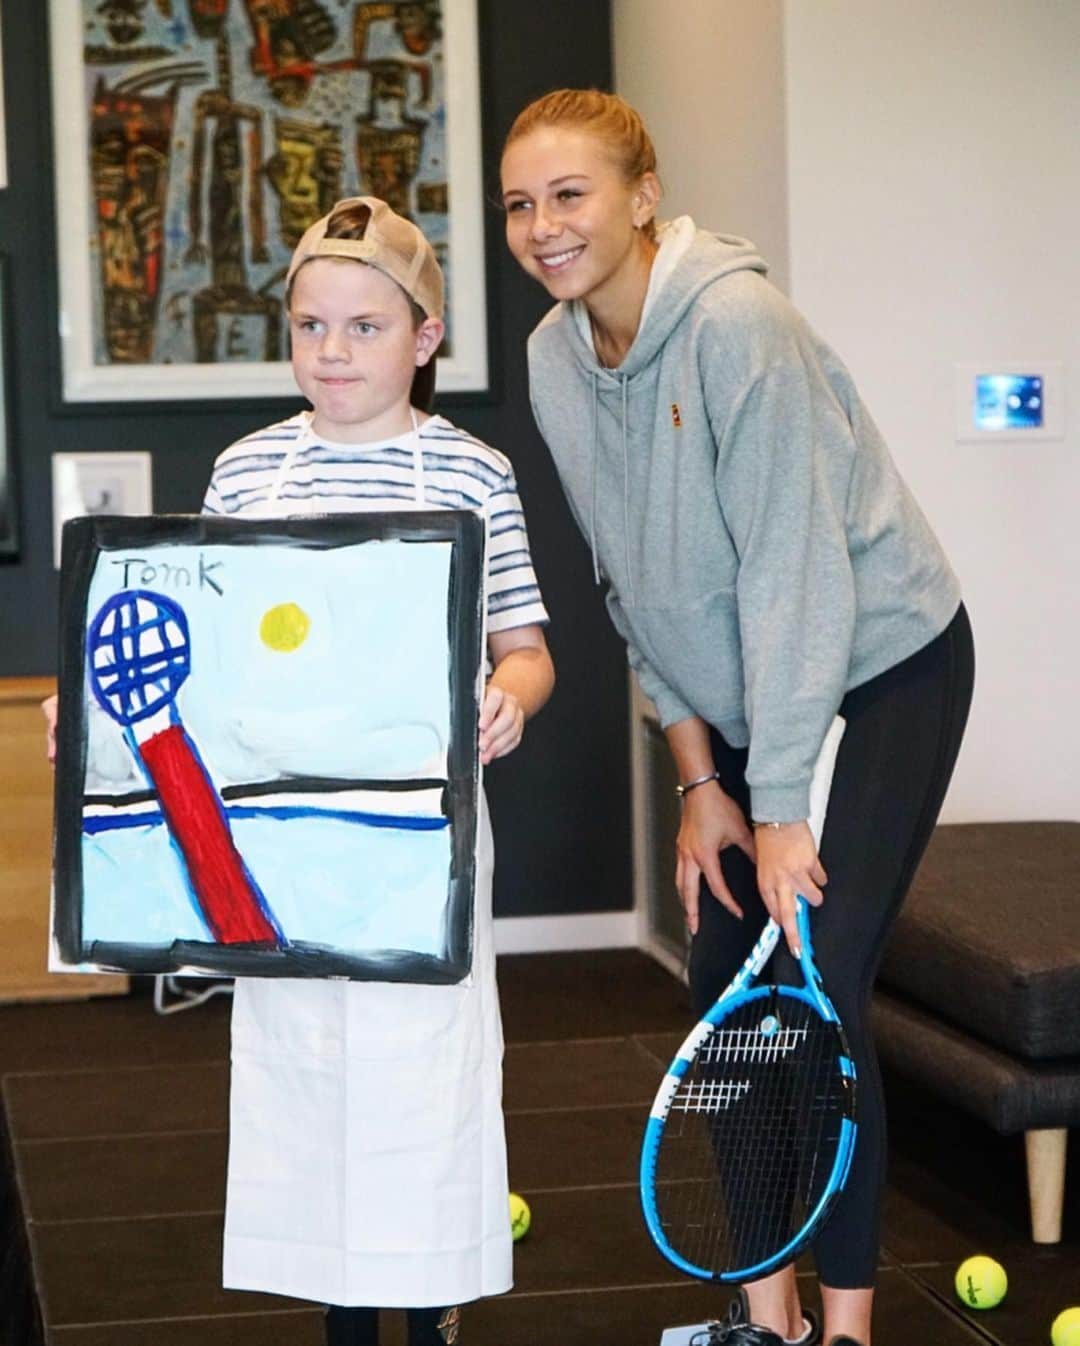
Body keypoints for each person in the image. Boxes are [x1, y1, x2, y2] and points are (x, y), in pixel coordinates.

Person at [500, 90, 973, 1346]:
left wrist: (780, 813)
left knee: (819, 972)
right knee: (730, 983)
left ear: (643, 196)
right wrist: (699, 779)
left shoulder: (738, 327)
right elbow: (631, 582)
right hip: (739, 685)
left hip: (882, 659)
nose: (543, 226)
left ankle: (851, 1330)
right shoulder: (557, 359)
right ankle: (764, 1319)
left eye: (570, 193)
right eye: (520, 202)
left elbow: (793, 570)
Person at [44, 196, 555, 1346]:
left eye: (365, 326)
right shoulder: (247, 470)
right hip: (276, 838)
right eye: (311, 325)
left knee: (425, 1076)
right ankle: (340, 1321)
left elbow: (527, 649)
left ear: (424, 337)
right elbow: (204, 660)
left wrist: (506, 703)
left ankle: (428, 1314)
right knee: (302, 1070)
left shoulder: (473, 473)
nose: (332, 351)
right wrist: (92, 727)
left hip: (423, 843)